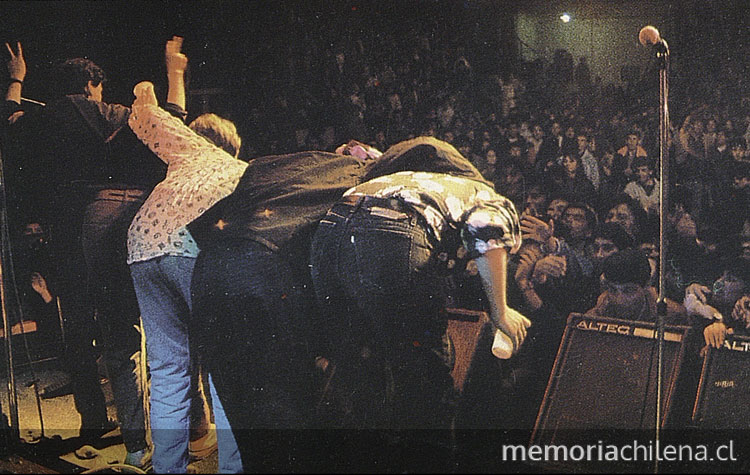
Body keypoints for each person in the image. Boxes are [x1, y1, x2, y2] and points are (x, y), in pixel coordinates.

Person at [3, 40, 185, 465]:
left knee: (77, 329)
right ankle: (137, 437)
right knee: (122, 334)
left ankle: (92, 421)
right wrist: (173, 74)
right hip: (109, 227)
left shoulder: (42, 118)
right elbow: (171, 123)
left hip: (64, 236)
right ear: (92, 84)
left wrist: (16, 78)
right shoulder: (113, 114)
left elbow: (7, 121)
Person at [309, 137, 530, 446]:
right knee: (428, 379)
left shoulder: (395, 178)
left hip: (328, 237)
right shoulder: (480, 191)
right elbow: (486, 227)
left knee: (358, 368)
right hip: (391, 233)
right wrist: (501, 311)